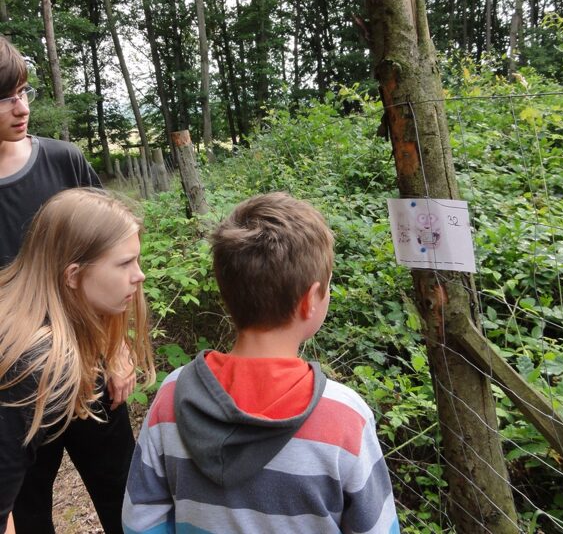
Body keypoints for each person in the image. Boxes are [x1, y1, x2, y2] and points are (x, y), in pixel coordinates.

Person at [123, 192, 400, 533]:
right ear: (310, 301)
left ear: (226, 291)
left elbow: (140, 521)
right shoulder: (345, 417)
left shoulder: (173, 395)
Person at [0, 35, 144, 534]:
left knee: (124, 496)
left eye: (23, 92)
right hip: (17, 389)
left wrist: (118, 349)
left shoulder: (63, 161)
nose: (22, 108)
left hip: (90, 365)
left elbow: (115, 255)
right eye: (5, 98)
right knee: (29, 512)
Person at [0, 188, 155, 534]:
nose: (139, 275)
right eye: (124, 263)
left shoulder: (43, 324)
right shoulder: (34, 363)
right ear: (72, 275)